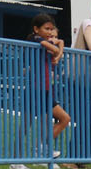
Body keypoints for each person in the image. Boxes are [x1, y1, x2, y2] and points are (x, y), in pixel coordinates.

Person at [29, 13, 70, 156]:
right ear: (36, 29)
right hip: (37, 88)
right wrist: (58, 53)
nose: (50, 32)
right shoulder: (35, 39)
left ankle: (42, 147)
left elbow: (61, 42)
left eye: (51, 29)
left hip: (46, 89)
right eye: (47, 29)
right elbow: (55, 46)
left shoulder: (45, 40)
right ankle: (37, 149)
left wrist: (57, 56)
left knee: (64, 119)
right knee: (30, 124)